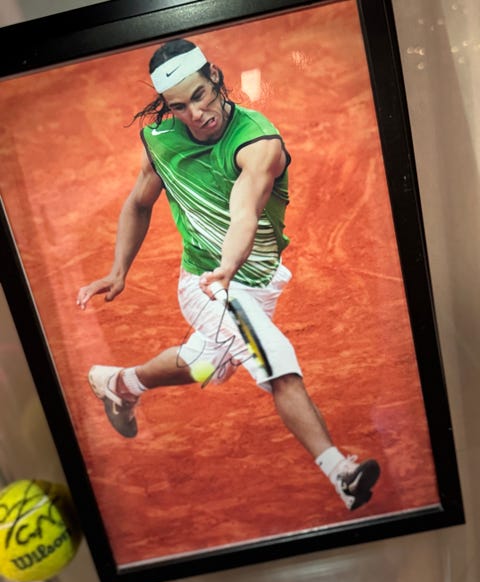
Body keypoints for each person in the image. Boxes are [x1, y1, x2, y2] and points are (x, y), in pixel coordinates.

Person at [76, 39, 380, 511]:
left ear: (215, 77)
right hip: (207, 284)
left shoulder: (258, 144)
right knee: (275, 359)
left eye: (199, 95)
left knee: (207, 364)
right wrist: (119, 271)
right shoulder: (161, 142)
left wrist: (232, 265)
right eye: (179, 106)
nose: (195, 114)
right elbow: (138, 203)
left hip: (251, 278)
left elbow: (244, 213)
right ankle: (340, 471)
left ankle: (119, 384)